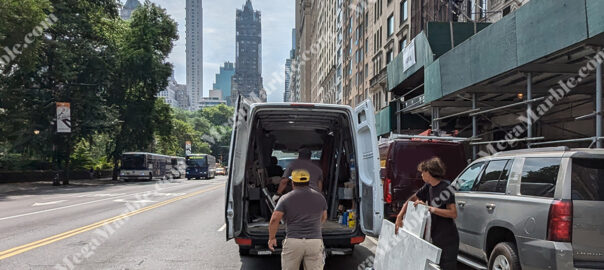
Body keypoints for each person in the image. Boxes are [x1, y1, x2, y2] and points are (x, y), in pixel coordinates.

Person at [394, 157, 459, 270]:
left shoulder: (446, 188)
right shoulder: (429, 187)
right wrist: (400, 216)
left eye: (422, 173)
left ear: (429, 172)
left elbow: (453, 213)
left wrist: (429, 208)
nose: (421, 175)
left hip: (448, 239)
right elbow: (412, 199)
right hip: (435, 236)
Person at [268, 169, 327, 270]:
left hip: (293, 241)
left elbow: (274, 219)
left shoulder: (285, 198)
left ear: (292, 182)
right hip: (314, 241)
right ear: (309, 182)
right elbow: (324, 217)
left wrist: (272, 238)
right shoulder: (319, 197)